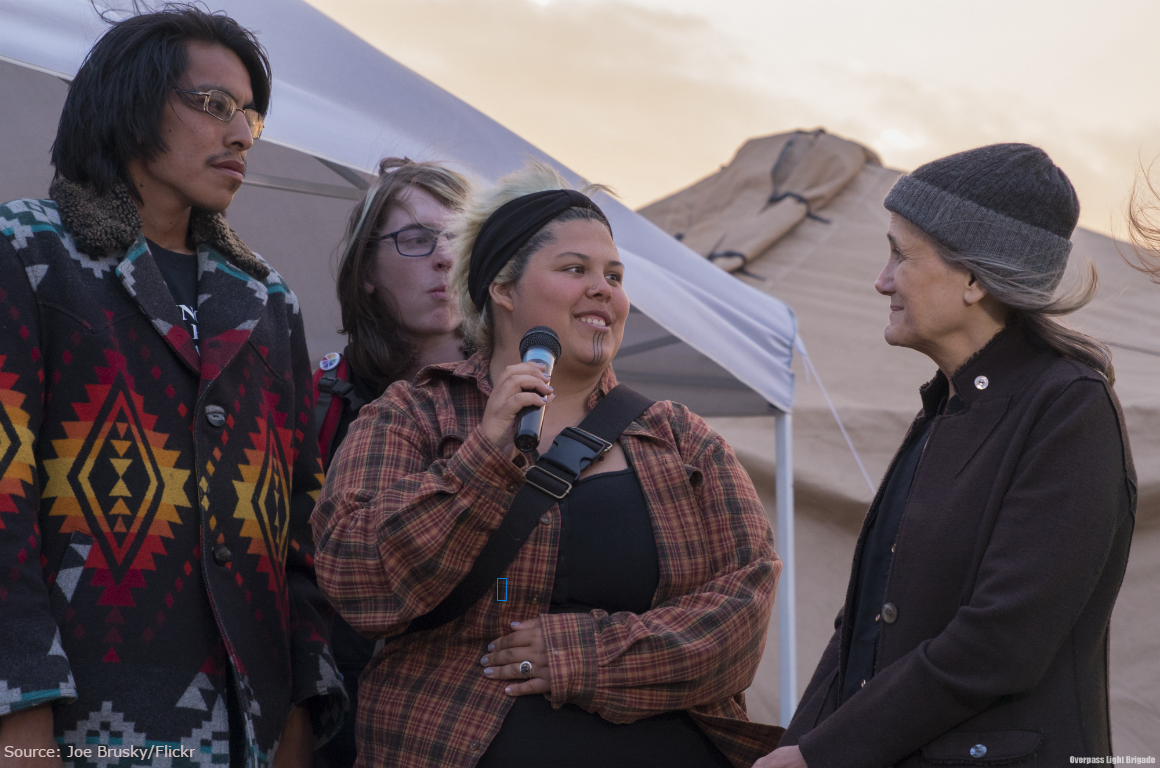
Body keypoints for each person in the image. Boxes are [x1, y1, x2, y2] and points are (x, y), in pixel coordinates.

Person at [311, 162, 783, 767]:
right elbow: (358, 581)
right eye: (574, 269)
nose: (603, 289)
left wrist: (583, 654)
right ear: (502, 290)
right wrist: (481, 461)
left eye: (614, 275)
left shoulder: (681, 438)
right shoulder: (411, 416)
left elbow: (743, 611)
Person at [0, 7, 345, 767]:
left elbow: (301, 524)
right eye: (214, 105)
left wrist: (298, 711)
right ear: (127, 104)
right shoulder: (27, 251)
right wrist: (16, 711)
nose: (242, 135)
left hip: (247, 733)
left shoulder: (265, 299)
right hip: (75, 726)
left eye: (250, 115)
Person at [756, 144, 1137, 768]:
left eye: (900, 255)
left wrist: (822, 755)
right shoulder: (948, 405)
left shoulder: (1069, 410)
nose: (881, 280)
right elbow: (862, 632)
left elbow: (1001, 643)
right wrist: (800, 746)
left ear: (975, 278)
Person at [311, 158, 470, 768]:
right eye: (414, 238)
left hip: (473, 720)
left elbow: (523, 574)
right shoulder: (319, 403)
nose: (443, 258)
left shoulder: (531, 404)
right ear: (366, 272)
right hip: (331, 717)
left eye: (460, 238)